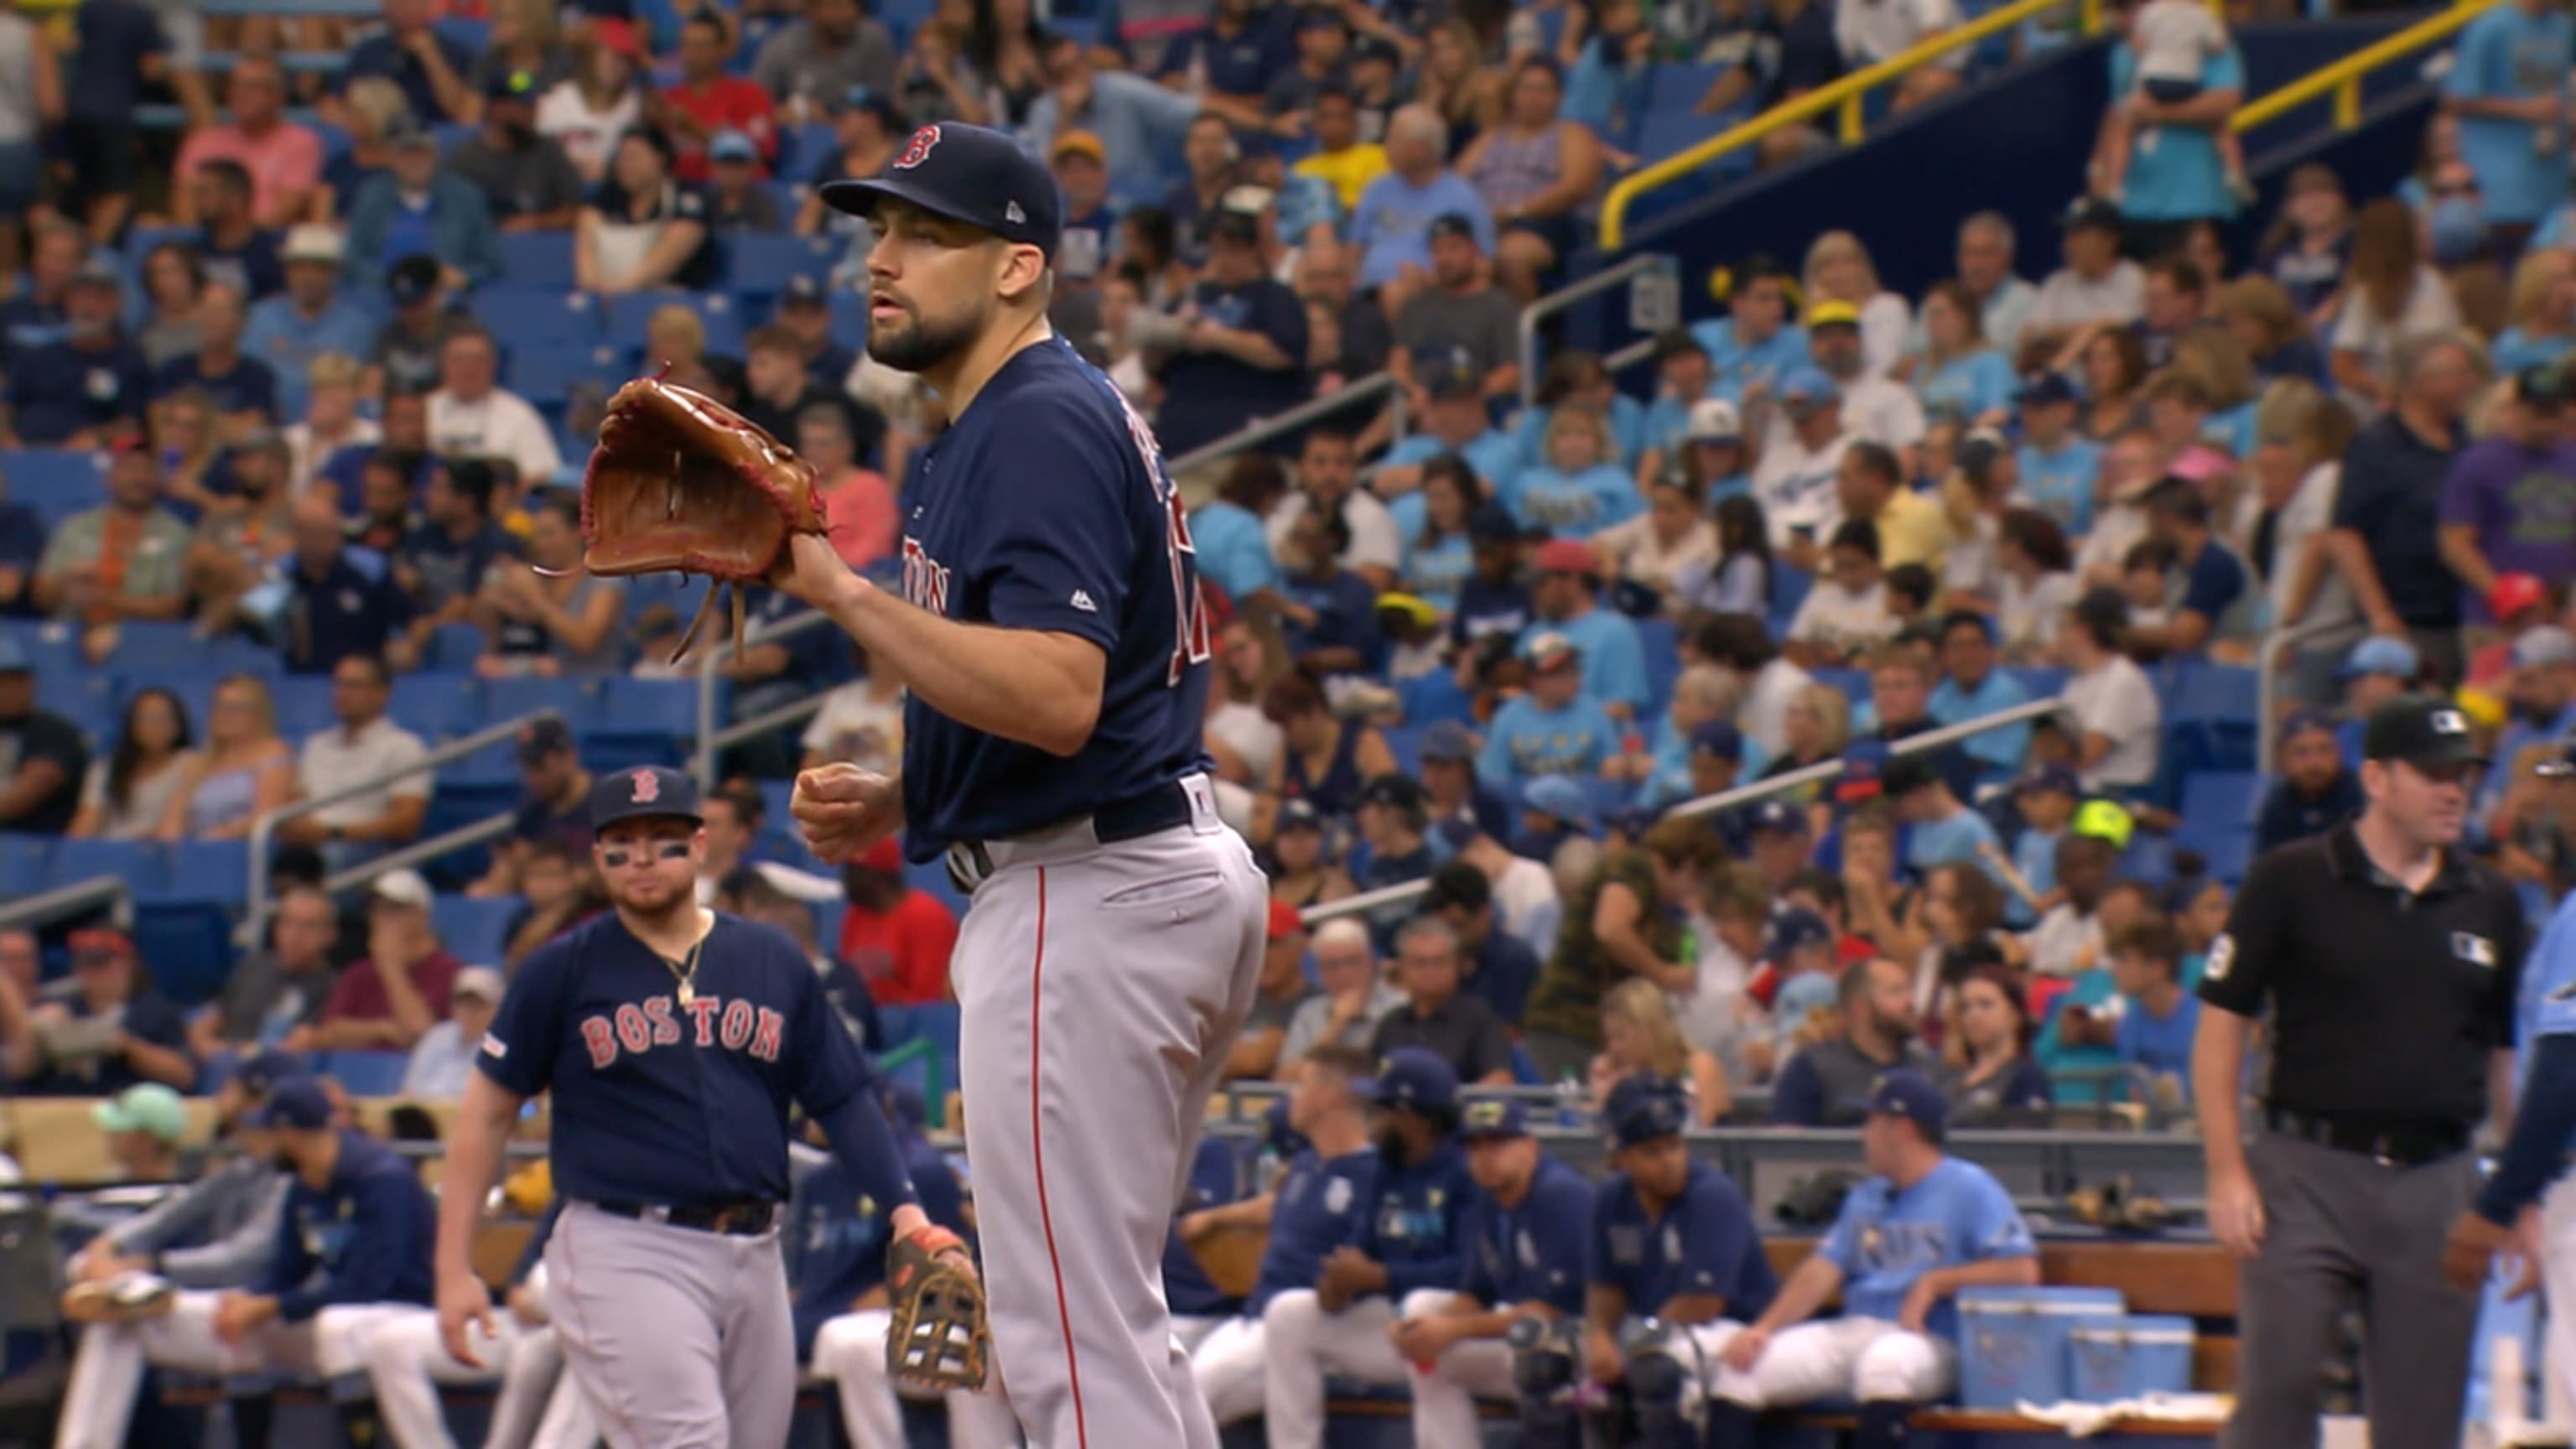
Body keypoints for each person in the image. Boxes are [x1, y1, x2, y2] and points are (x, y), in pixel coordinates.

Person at [786, 121, 1273, 1449]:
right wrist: (912, 787)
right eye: (877, 233)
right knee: (1110, 1328)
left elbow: (1057, 695)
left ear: (1016, 267)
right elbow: (1071, 683)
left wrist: (833, 585)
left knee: (1067, 1346)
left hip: (1087, 888)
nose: (881, 261)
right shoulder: (1016, 417)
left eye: (921, 235)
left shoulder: (1036, 420)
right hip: (1138, 866)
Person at [429, 766, 950, 1449]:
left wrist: (907, 1212)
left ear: (701, 846)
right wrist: (453, 1267)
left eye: (664, 838)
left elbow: (842, 1094)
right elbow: (486, 1113)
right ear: (598, 858)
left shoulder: (769, 958)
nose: (642, 856)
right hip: (626, 1243)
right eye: (622, 841)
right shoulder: (561, 972)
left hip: (756, 1248)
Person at [2194, 693, 2525, 1449]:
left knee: (2423, 1419)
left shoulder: (2492, 901)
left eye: (2466, 774)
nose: (2456, 791)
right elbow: (2221, 1025)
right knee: (2276, 1393)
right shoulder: (2290, 879)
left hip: (2438, 1179)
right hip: (2305, 1169)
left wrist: (2511, 1192)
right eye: (2435, 773)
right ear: (2376, 778)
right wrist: (2225, 1169)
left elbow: (2503, 1052)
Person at [50, 1078, 434, 1449]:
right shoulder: (304, 1182)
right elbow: (287, 1269)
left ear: (291, 1134)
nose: (252, 1141)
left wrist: (270, 1305)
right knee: (137, 1317)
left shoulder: (380, 1178)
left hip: (392, 1314)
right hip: (316, 1316)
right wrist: (249, 1301)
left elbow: (368, 1284)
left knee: (337, 1327)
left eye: (268, 1132)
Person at [1706, 1070, 2038, 1448]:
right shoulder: (1866, 1195)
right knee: (1739, 1371)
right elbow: (1822, 1270)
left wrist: (1934, 1283)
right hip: (1856, 1328)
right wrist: (1762, 1330)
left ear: (1901, 1129)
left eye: (1871, 1122)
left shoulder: (1970, 1186)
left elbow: (2021, 1269)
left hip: (1930, 1338)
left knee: (1884, 1365)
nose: (1864, 1135)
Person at [803, 1093, 1019, 1449]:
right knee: (850, 1343)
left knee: (974, 1351)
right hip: (964, 1316)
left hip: (1012, 1324)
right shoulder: (961, 1179)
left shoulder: (933, 1173)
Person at [1185, 1045, 1381, 1426]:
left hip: (1316, 1330)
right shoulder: (1306, 1164)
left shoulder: (1373, 1174)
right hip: (1253, 1317)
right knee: (1170, 1393)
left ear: (1330, 1096)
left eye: (1301, 1085)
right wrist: (1217, 1217)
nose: (1290, 1096)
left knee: (1187, 1406)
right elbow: (1272, 1206)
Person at [1392, 1098, 1590, 1449]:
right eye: (1475, 1146)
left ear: (1530, 1146)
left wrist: (1453, 1329)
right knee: (1422, 1315)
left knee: (1534, 1353)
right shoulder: (1489, 1200)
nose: (1485, 1156)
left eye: (1498, 1143)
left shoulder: (1560, 1196)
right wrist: (1423, 1330)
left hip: (1580, 1350)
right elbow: (1476, 1292)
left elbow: (1557, 1309)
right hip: (1524, 1342)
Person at [1768, 957, 1936, 1127]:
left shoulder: (1928, 1070)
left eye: (1910, 991)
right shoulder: (1811, 1069)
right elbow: (1787, 1144)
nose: (1911, 1002)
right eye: (1896, 992)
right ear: (1860, 1007)